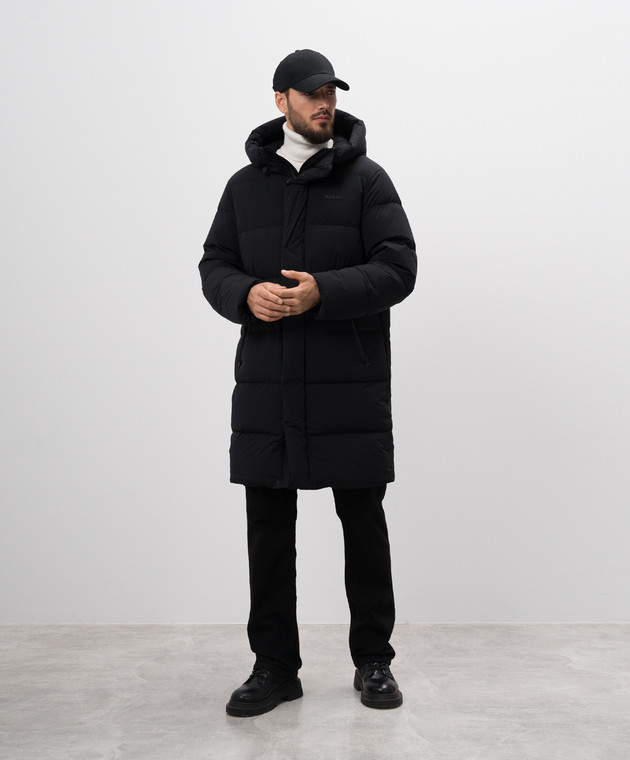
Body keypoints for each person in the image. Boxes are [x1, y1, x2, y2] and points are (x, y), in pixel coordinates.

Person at [199, 49, 417, 717]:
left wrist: (324, 290)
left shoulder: (367, 180)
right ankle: (274, 667)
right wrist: (244, 294)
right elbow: (215, 263)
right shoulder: (244, 187)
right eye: (311, 93)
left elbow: (399, 267)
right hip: (267, 387)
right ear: (281, 101)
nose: (325, 103)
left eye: (331, 92)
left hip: (348, 385)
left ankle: (374, 661)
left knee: (363, 524)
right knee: (268, 528)